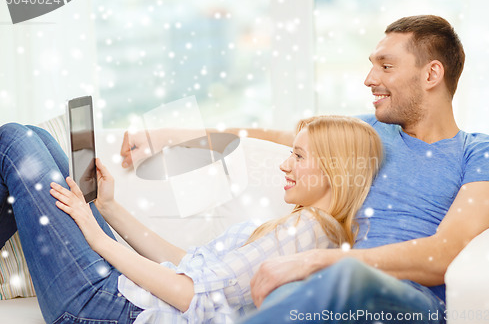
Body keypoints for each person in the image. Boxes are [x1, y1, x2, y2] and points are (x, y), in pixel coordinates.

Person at [120, 15, 489, 323]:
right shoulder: (368, 132)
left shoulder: (479, 153)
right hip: (328, 291)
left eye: (386, 66)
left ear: (432, 75)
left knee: (339, 277)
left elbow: (445, 253)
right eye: (371, 66)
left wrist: (321, 259)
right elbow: (278, 135)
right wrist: (166, 136)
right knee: (281, 288)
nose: (370, 79)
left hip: (406, 302)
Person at [0, 115, 382, 323]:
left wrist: (98, 239)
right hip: (123, 295)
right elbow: (190, 265)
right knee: (36, 136)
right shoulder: (305, 227)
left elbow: (189, 293)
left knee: (16, 139)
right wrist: (107, 208)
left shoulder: (308, 231)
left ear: (334, 169)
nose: (285, 164)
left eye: (298, 157)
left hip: (106, 309)